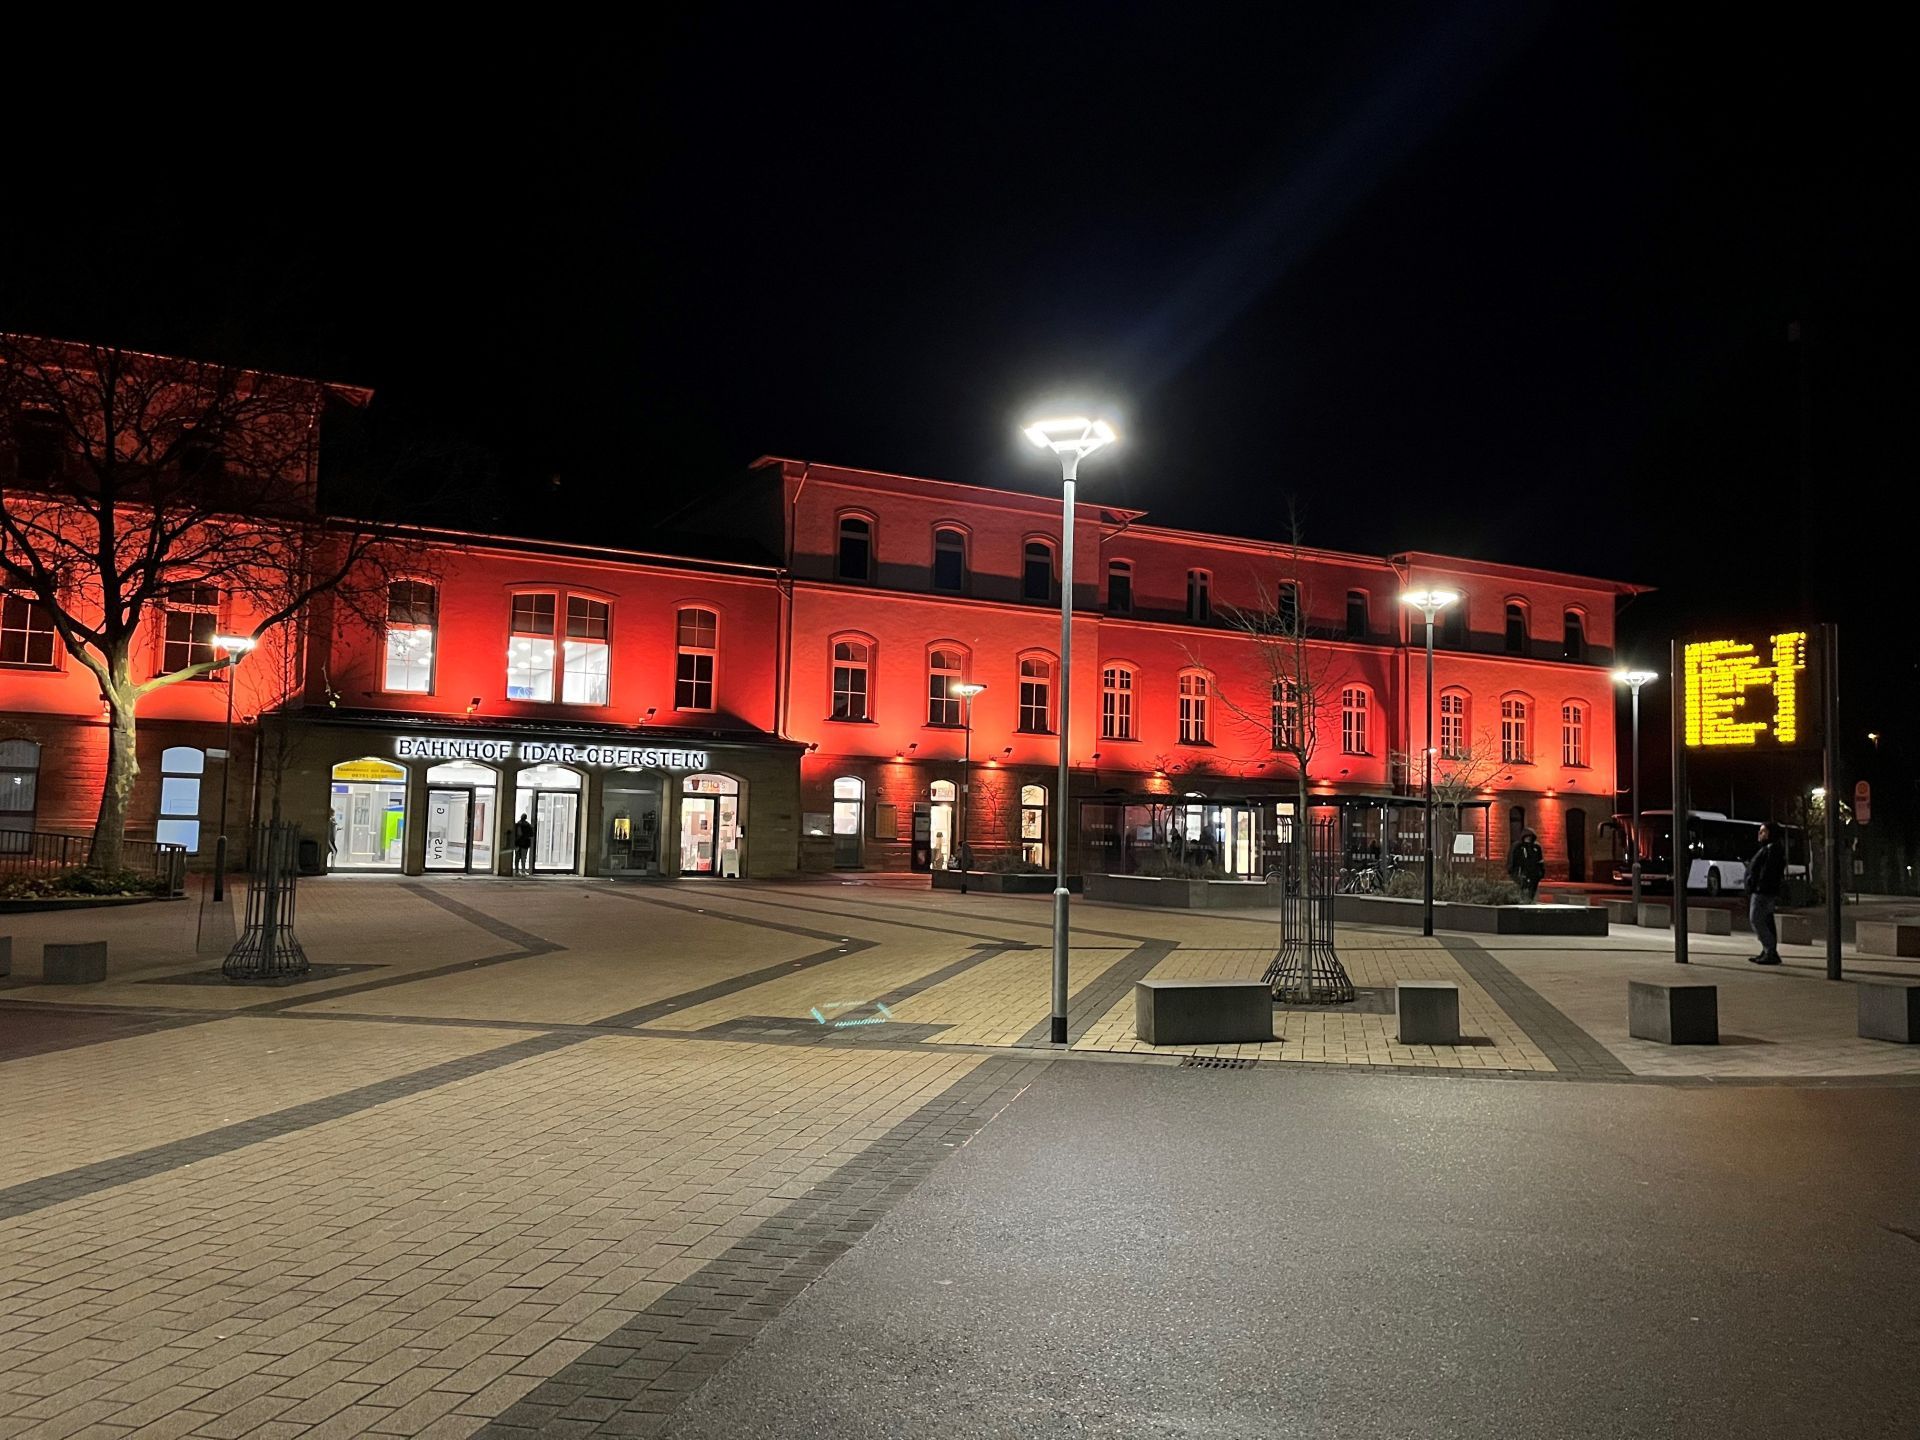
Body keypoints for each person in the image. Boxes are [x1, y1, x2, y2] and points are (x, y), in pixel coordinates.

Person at [1746, 821, 1786, 965]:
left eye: (1763, 831)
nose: (1759, 834)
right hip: (1763, 890)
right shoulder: (1769, 849)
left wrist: (1757, 886)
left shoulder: (1772, 850)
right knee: (1765, 920)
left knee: (1757, 919)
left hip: (1763, 891)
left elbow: (1766, 873)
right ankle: (1768, 950)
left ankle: (1770, 951)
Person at [1507, 828, 1545, 902]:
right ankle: (1522, 901)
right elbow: (1512, 859)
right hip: (1521, 872)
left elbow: (1540, 860)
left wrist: (1541, 872)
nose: (1529, 839)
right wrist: (1512, 871)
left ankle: (1529, 901)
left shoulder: (1536, 847)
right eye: (1527, 837)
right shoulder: (1518, 846)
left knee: (1532, 890)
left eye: (1530, 837)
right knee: (1522, 889)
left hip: (1533, 873)